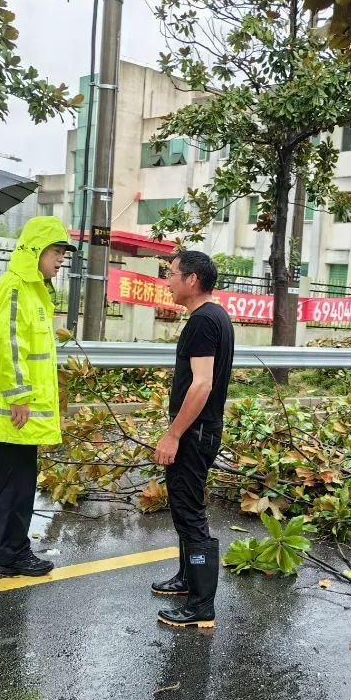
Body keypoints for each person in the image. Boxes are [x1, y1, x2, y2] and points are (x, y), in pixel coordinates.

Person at [0, 216, 71, 577]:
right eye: (56, 251)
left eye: (63, 253)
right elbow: (6, 343)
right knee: (15, 484)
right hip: (14, 407)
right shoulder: (16, 287)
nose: (61, 259)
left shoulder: (33, 288)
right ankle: (12, 552)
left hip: (14, 406)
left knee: (1, 480)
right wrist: (18, 395)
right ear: (35, 251)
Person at [152, 250, 235, 629]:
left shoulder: (203, 321)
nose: (166, 281)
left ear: (192, 280)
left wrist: (172, 435)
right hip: (202, 429)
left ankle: (201, 607)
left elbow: (202, 383)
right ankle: (187, 579)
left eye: (171, 274)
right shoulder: (215, 316)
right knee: (185, 508)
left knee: (189, 513)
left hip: (195, 431)